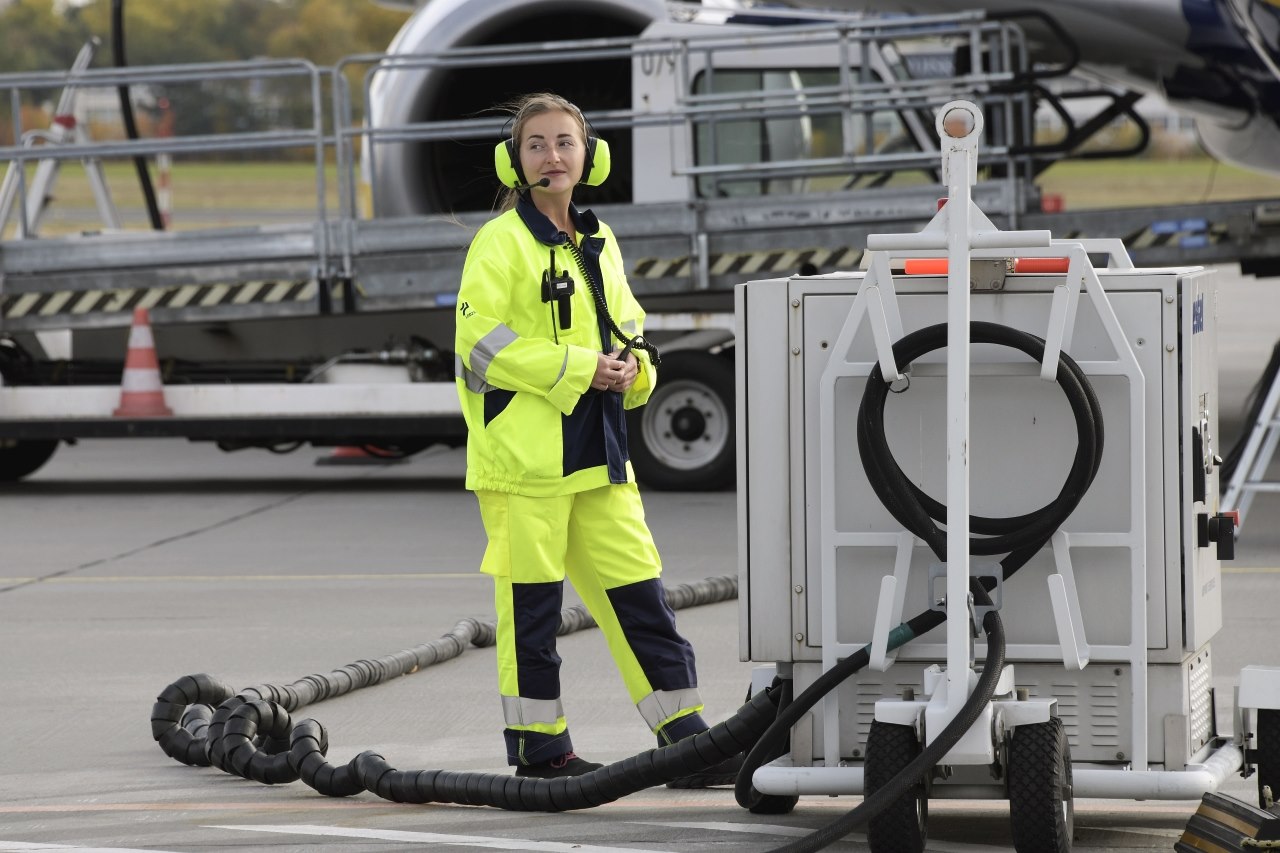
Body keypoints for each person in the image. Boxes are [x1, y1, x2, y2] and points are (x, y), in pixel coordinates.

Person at [453, 92, 734, 785]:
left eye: (565, 142)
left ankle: (686, 742)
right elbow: (478, 346)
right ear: (514, 162)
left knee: (642, 597)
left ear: (590, 156)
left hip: (601, 460)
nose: (553, 155)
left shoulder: (599, 242)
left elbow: (630, 328)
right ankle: (540, 749)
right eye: (537, 144)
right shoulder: (499, 243)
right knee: (534, 615)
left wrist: (638, 367)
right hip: (527, 469)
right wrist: (583, 368)